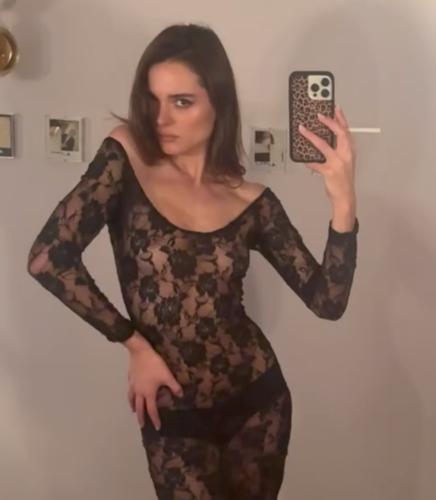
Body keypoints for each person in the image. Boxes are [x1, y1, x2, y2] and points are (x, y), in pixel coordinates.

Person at [27, 23, 359, 500]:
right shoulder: (126, 159)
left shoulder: (251, 200)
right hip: (174, 410)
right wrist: (134, 345)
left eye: (182, 102)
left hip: (258, 401)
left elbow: (328, 301)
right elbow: (48, 258)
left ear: (218, 104)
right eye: (153, 100)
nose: (161, 118)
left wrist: (343, 199)